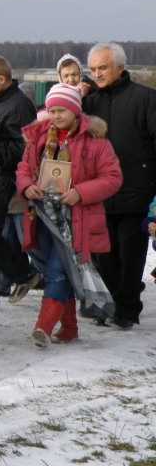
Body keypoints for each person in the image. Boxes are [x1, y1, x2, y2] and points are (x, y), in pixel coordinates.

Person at [17, 83, 122, 346]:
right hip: (41, 215)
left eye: (62, 110)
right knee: (56, 267)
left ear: (76, 111)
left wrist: (80, 192)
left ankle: (44, 326)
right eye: (52, 110)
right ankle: (70, 326)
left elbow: (112, 177)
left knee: (57, 271)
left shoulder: (95, 141)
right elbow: (24, 167)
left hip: (75, 218)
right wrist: (26, 185)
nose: (55, 116)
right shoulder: (39, 135)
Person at [83, 42, 156, 329]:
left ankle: (126, 310)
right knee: (105, 253)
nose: (97, 74)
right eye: (93, 69)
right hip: (100, 192)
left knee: (130, 252)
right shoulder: (90, 102)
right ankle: (110, 302)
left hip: (136, 190)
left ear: (120, 68)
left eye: (102, 67)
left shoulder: (145, 99)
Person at [0, 55, 41, 309]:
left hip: (5, 176)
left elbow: (23, 146)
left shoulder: (18, 105)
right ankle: (6, 282)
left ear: (1, 79)